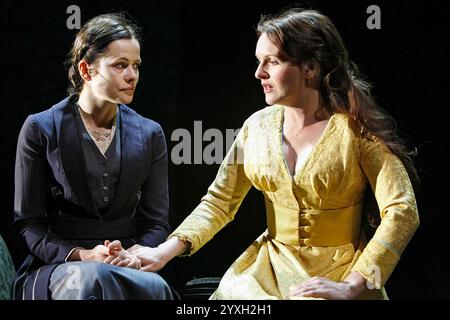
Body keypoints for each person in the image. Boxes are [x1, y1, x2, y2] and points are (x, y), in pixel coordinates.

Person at [121, 7, 419, 299]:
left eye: (272, 62)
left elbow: (402, 211)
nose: (258, 72)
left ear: (310, 68)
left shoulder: (356, 131)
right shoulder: (257, 126)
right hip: (268, 269)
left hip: (339, 270)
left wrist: (356, 284)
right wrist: (164, 251)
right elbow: (220, 202)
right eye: (258, 61)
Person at [13, 13, 173, 300]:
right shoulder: (40, 128)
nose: (132, 75)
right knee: (95, 280)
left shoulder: (150, 134)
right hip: (57, 265)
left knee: (155, 287)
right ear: (86, 70)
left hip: (126, 263)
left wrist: (133, 255)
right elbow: (29, 224)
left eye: (136, 66)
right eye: (120, 65)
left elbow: (156, 224)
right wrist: (81, 255)